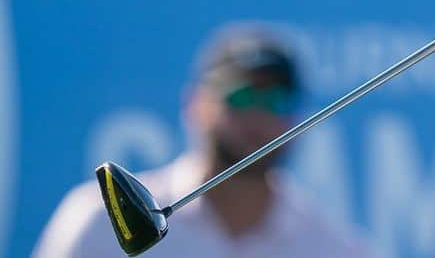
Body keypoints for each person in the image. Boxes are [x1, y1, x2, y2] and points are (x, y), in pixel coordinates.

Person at [33, 25, 370, 257]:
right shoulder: (98, 221)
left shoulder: (334, 248)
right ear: (196, 104)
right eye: (240, 97)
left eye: (274, 102)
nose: (257, 115)